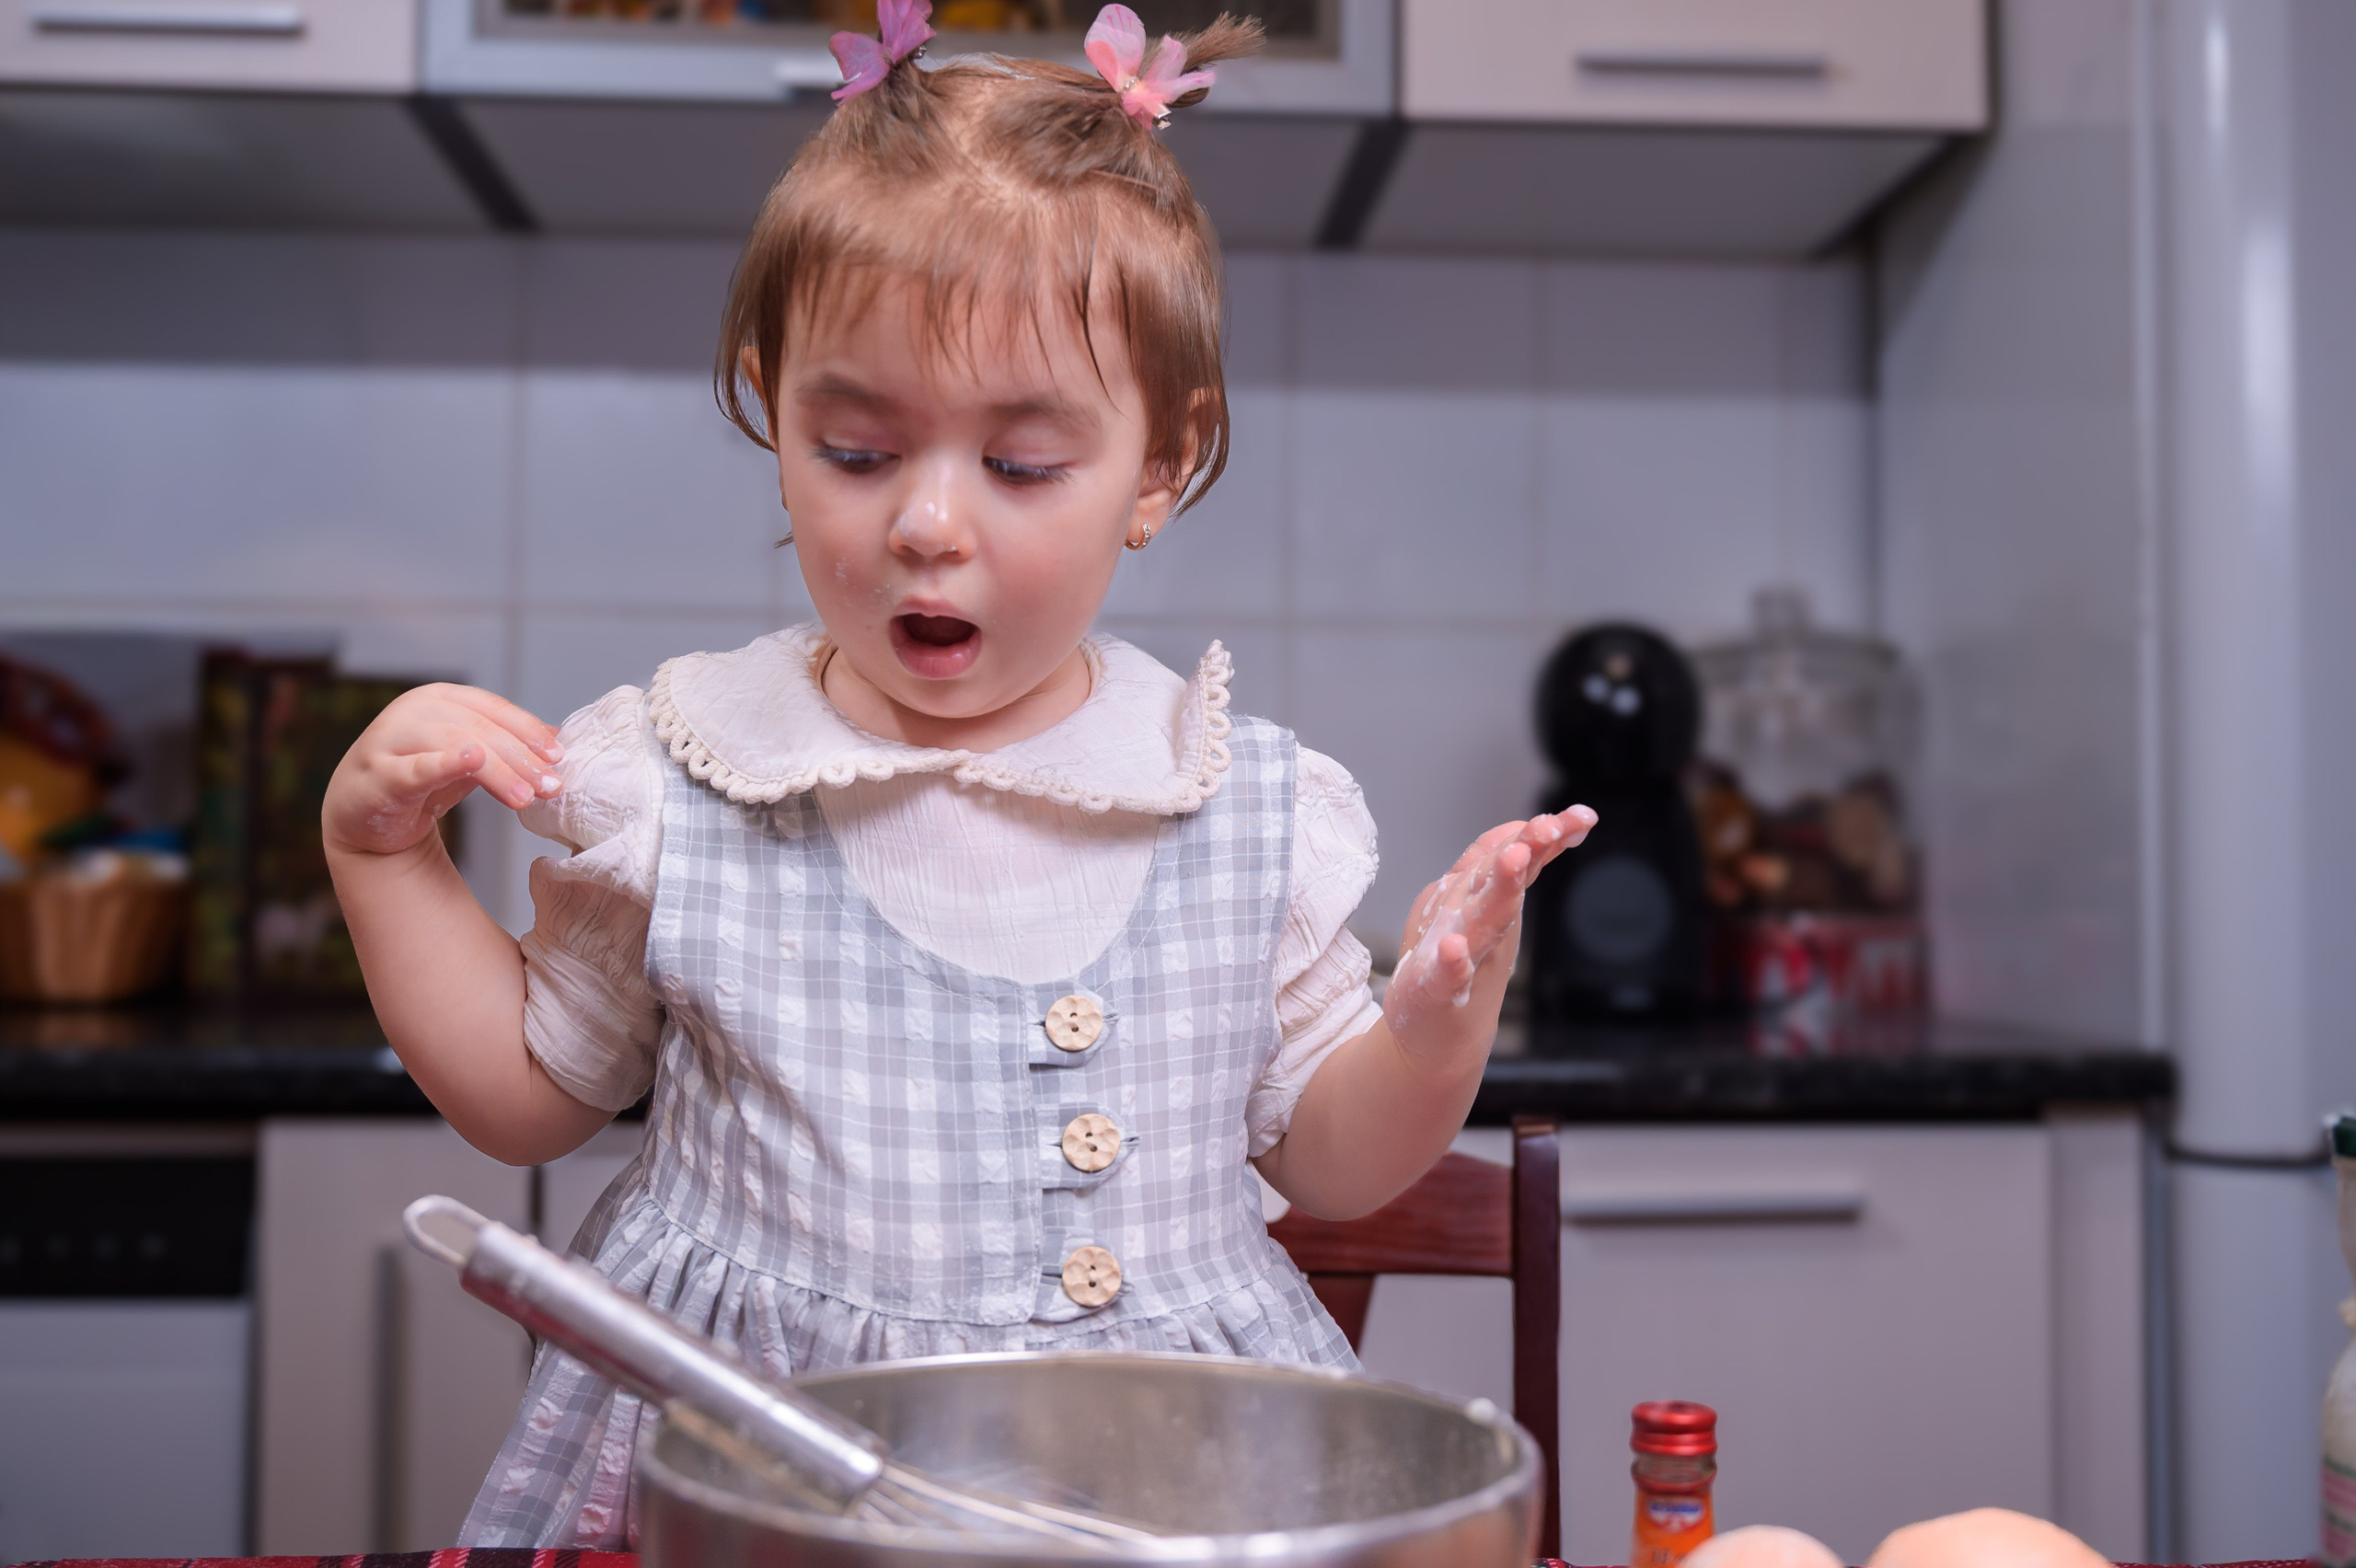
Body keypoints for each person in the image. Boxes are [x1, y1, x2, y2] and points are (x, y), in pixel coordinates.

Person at [321, 1, 1593, 1546]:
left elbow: (1330, 1163)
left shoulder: (1236, 802)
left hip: (1150, 1487)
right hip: (765, 1495)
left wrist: (1435, 1027)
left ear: (1162, 467)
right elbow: (525, 1103)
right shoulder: (686, 776)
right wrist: (385, 860)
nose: (929, 524)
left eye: (1022, 465)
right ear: (768, 408)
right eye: (857, 451)